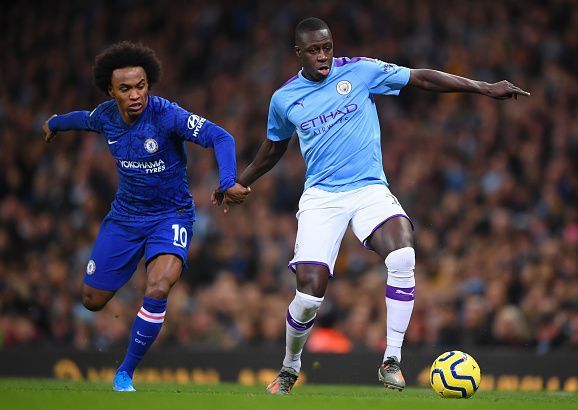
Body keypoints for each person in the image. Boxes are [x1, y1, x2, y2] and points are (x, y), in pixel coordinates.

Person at [214, 17, 529, 394]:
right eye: (314, 50)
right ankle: (290, 365)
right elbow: (274, 147)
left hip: (368, 189)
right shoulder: (284, 99)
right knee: (309, 296)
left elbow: (420, 78)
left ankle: (392, 360)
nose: (323, 56)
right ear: (298, 53)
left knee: (402, 256)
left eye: (327, 47)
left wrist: (483, 87)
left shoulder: (361, 71)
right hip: (322, 198)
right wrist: (241, 182)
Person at [42, 41, 250, 392]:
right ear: (111, 91)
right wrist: (55, 123)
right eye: (125, 89)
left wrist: (227, 180)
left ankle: (125, 373)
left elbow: (220, 135)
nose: (135, 94)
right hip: (125, 218)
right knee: (91, 301)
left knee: (158, 285)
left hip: (171, 216)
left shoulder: (167, 115)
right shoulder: (106, 116)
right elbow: (81, 119)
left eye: (141, 86)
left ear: (148, 85)